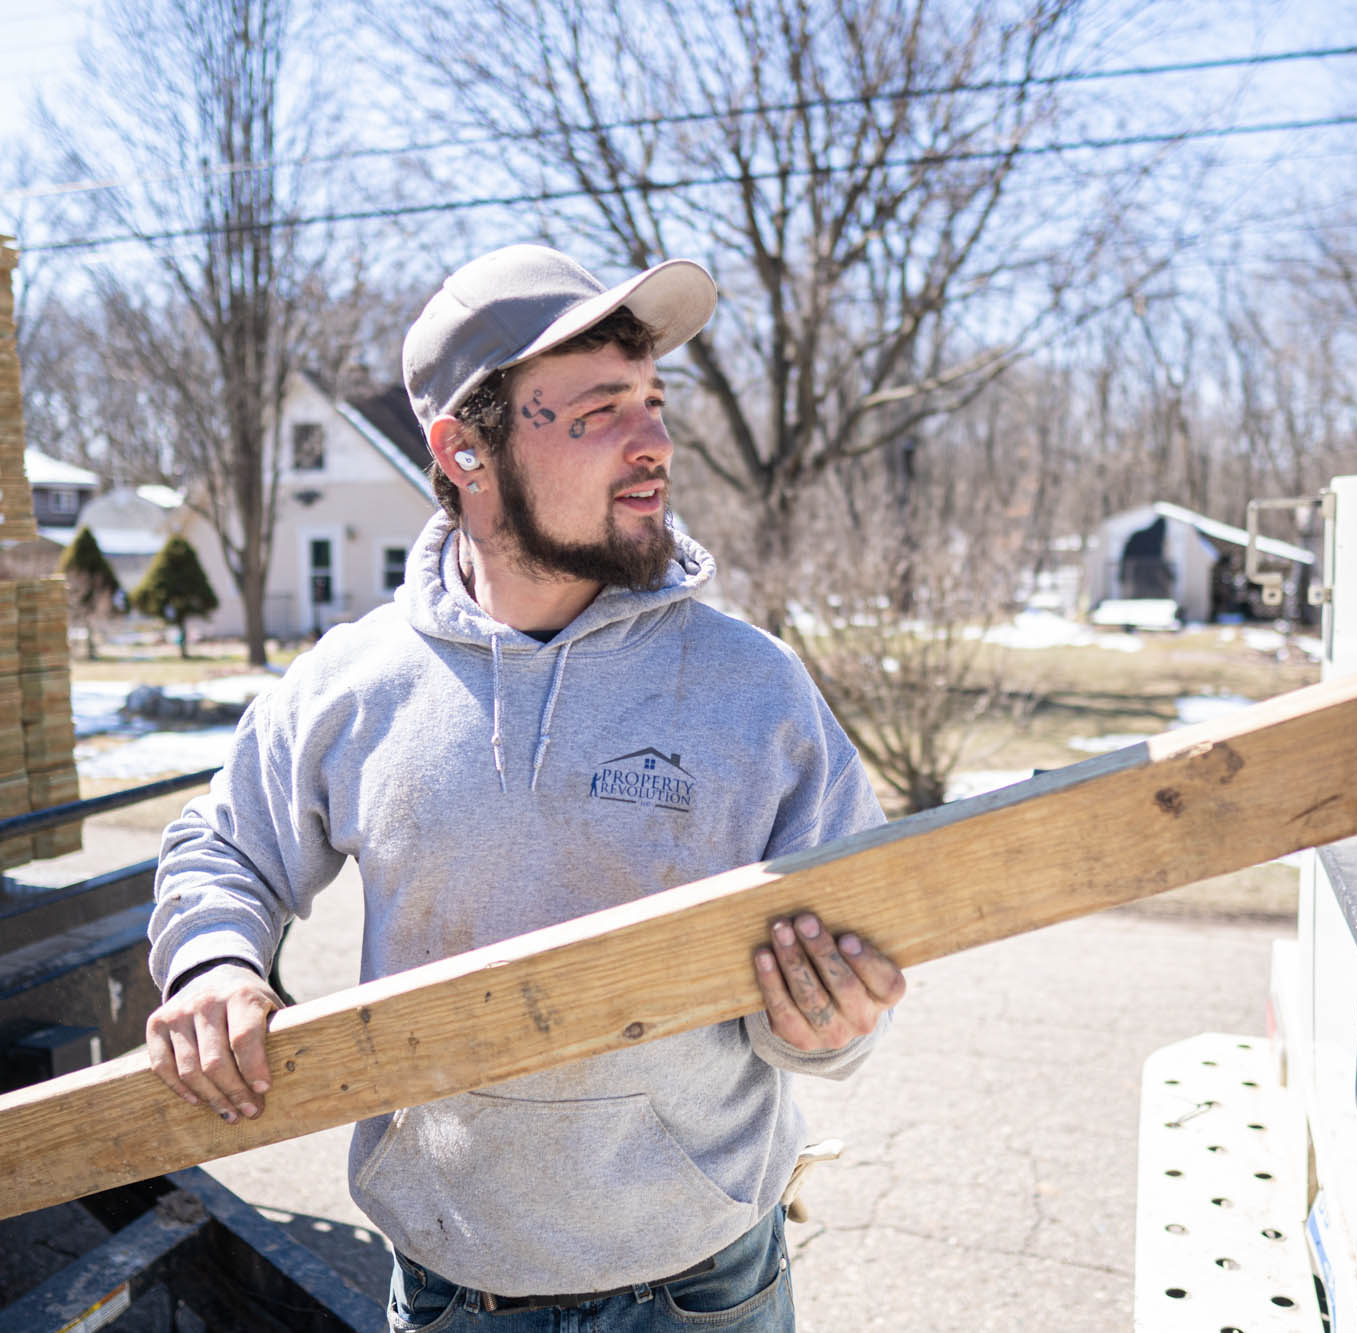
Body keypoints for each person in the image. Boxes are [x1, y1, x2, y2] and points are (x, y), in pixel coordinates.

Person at [144, 243, 906, 1329]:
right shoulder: (354, 685)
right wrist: (214, 964)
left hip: (699, 1289)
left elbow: (847, 989)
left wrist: (828, 1019)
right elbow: (223, 845)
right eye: (599, 413)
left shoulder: (754, 690)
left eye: (653, 402)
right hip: (455, 1293)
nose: (655, 446)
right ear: (462, 448)